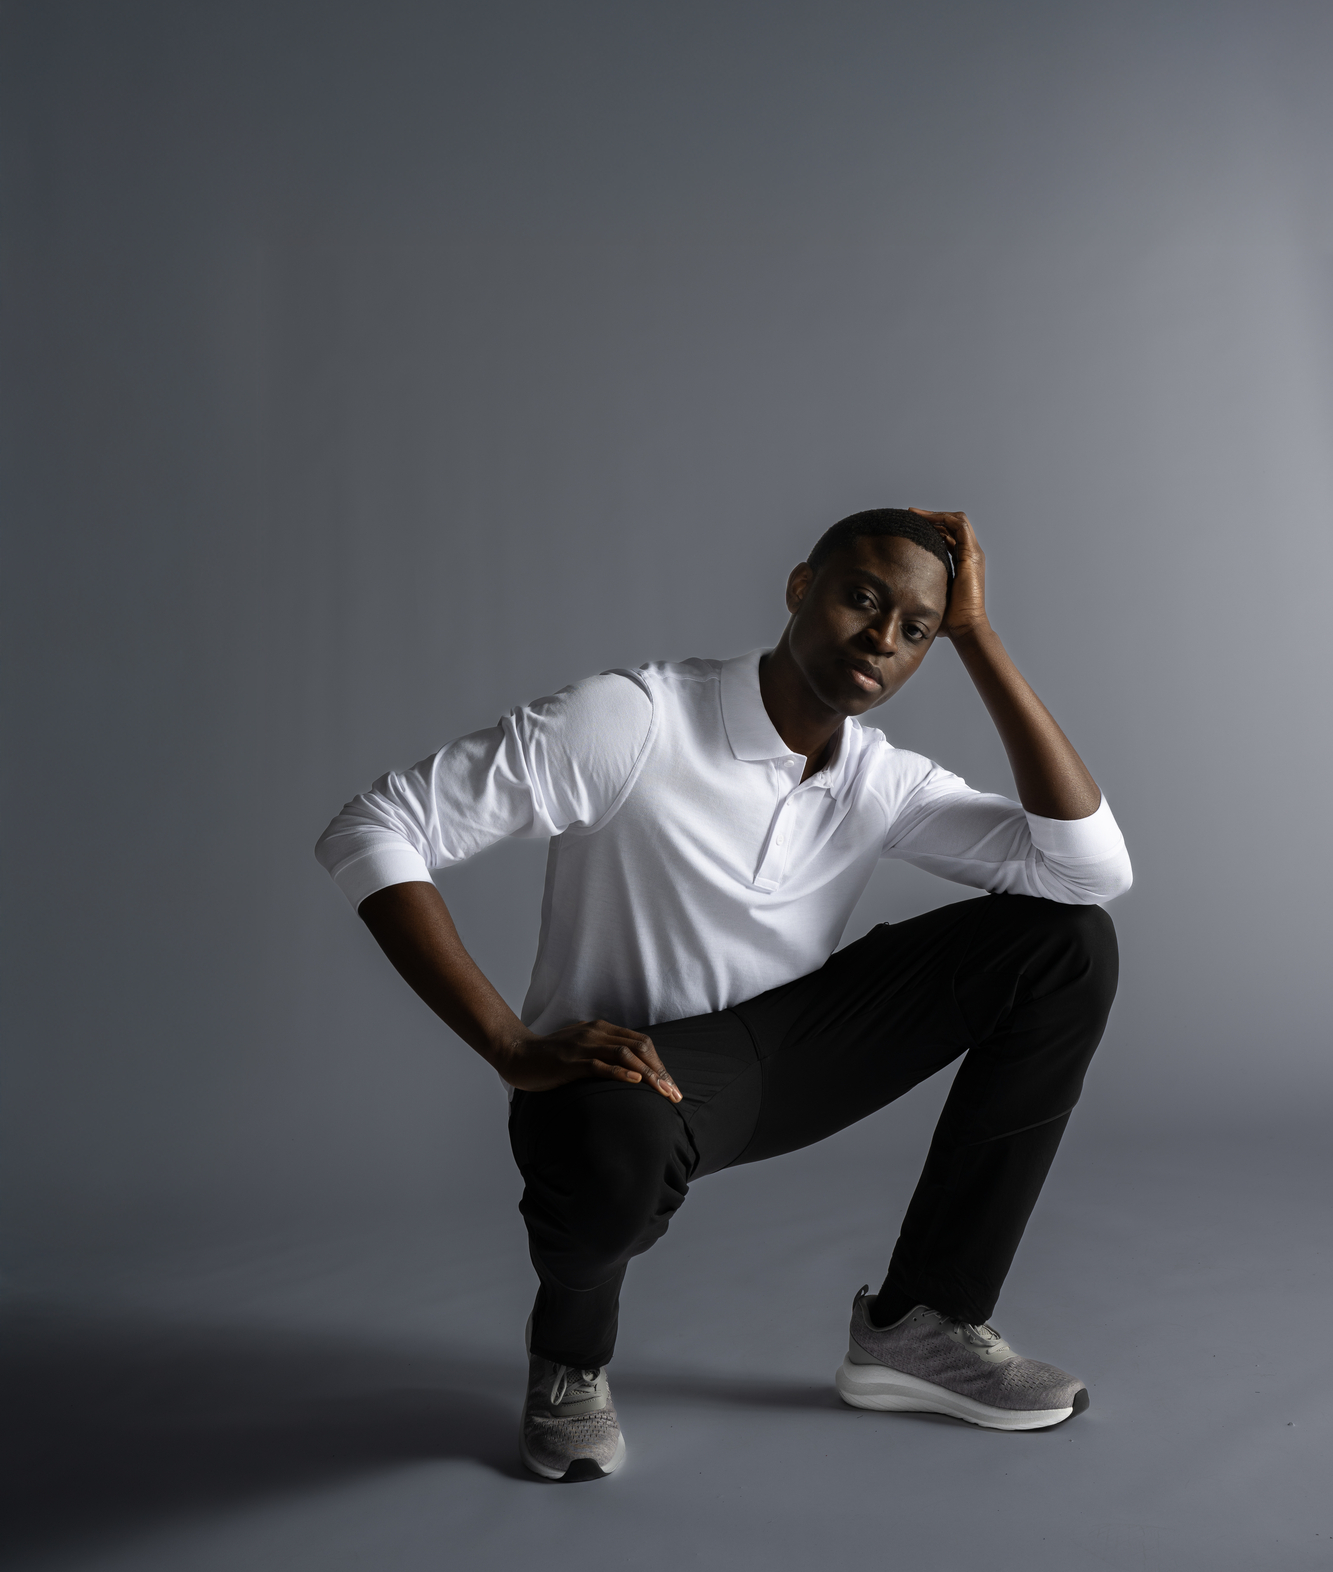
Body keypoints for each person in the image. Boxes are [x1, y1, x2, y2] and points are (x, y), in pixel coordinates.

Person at [315, 507, 1131, 1482]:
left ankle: (921, 1323)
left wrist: (977, 637)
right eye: (861, 598)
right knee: (608, 1139)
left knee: (1065, 945)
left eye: (915, 628)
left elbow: (1090, 872)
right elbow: (373, 825)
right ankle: (570, 1355)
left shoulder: (881, 779)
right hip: (626, 1078)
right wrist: (506, 1042)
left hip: (791, 1053)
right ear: (800, 587)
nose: (881, 637)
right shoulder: (634, 719)